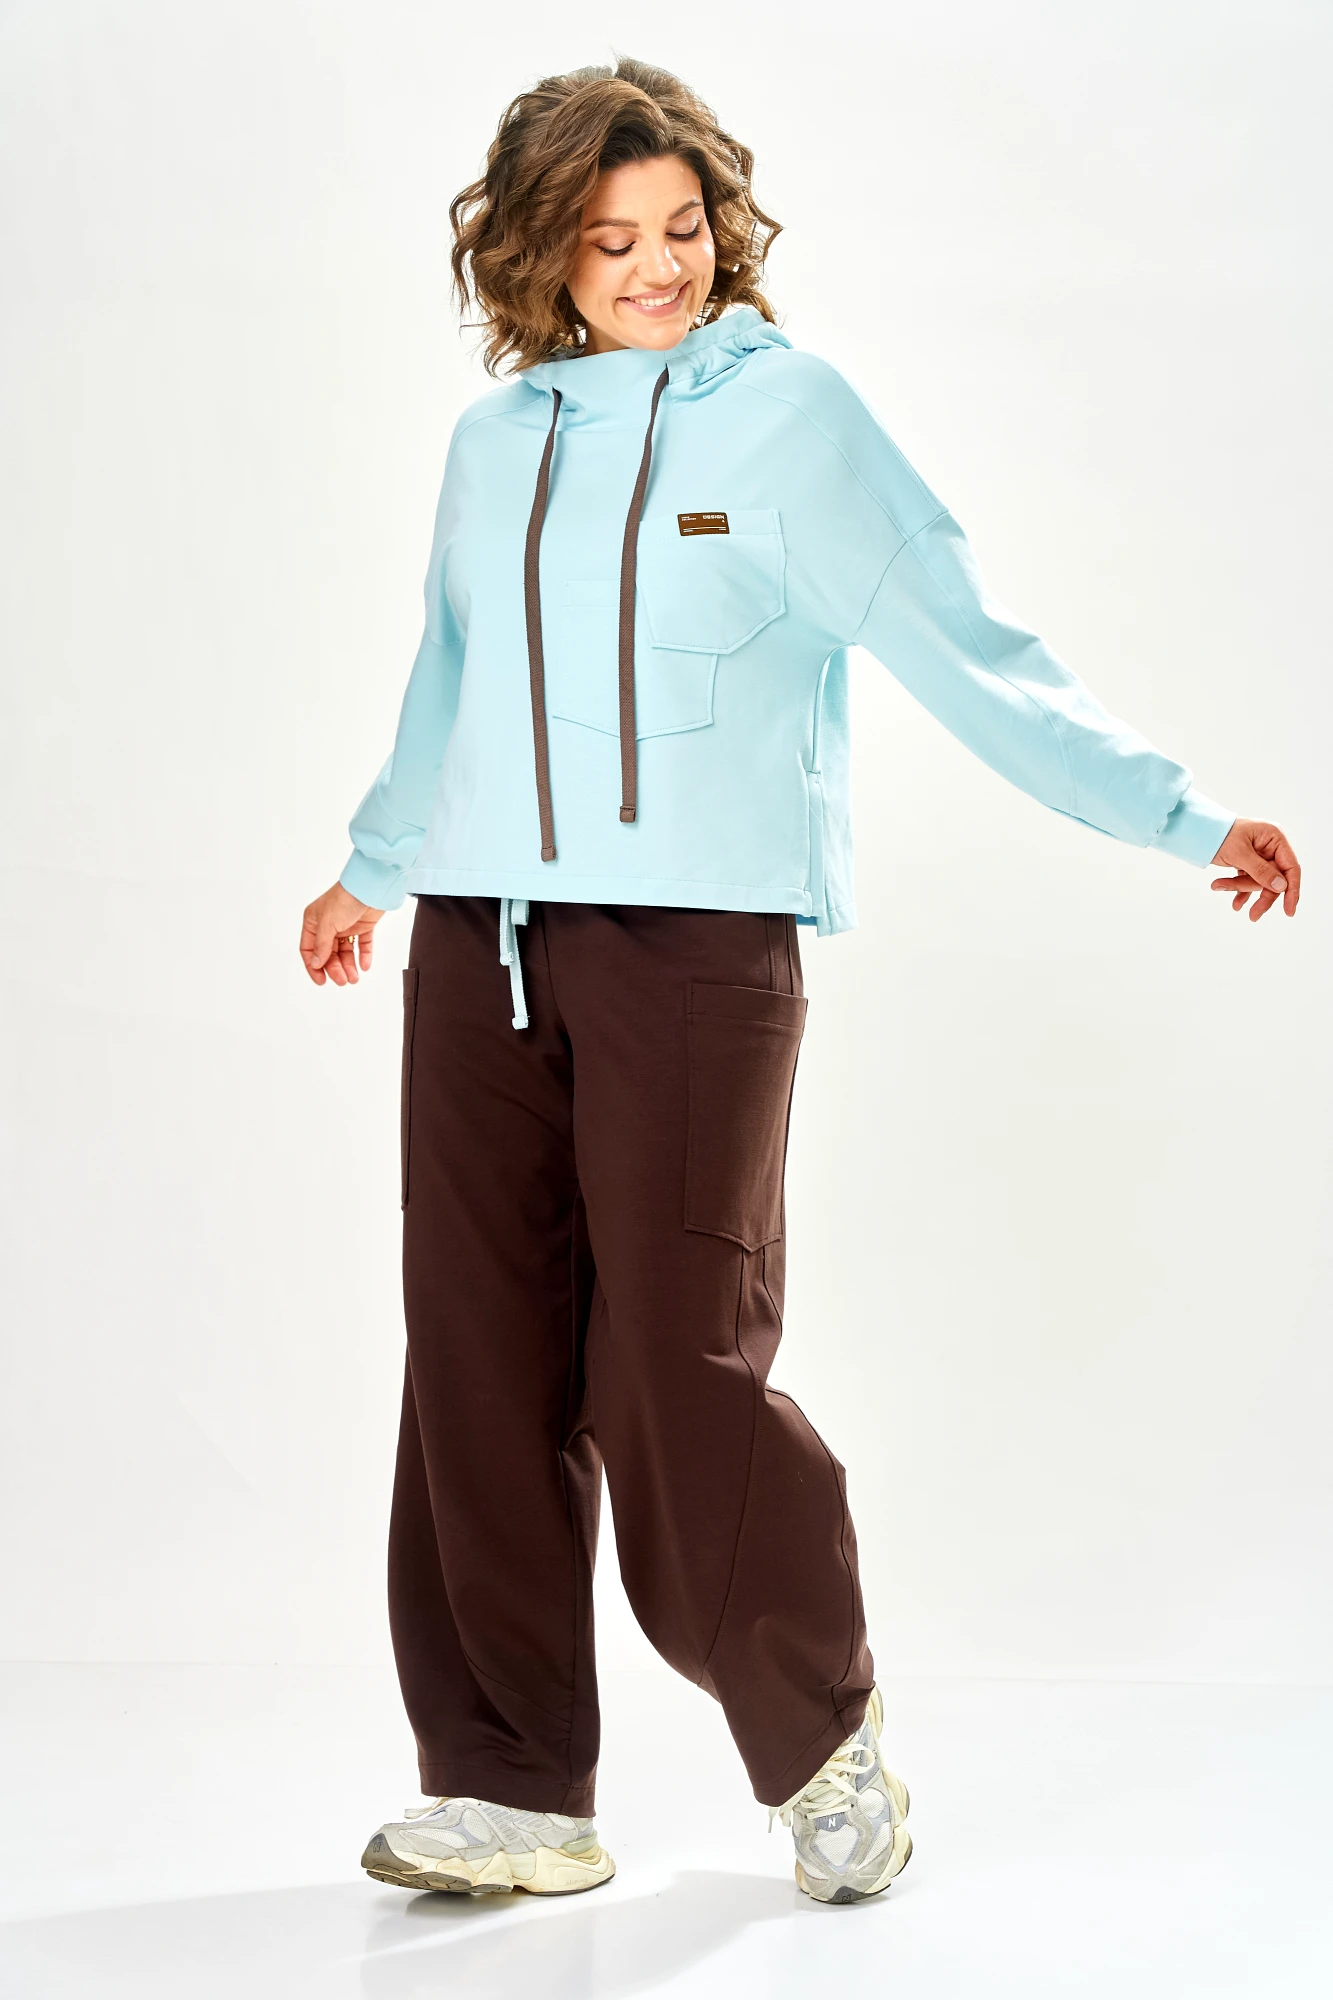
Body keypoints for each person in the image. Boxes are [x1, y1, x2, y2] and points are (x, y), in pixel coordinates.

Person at [299, 58, 1300, 1907]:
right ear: (539, 253)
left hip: (698, 947)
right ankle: (512, 1786)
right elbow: (449, 675)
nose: (654, 266)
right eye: (609, 238)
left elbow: (969, 642)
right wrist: (374, 869)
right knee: (477, 1361)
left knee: (677, 1364)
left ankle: (825, 1742)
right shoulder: (496, 441)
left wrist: (1179, 815)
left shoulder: (796, 420)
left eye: (680, 227)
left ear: (721, 227)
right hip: (480, 940)